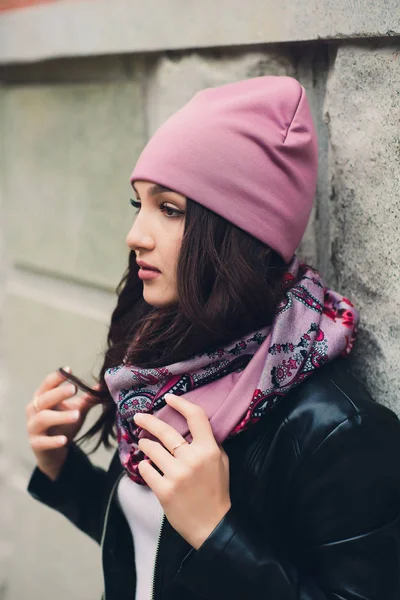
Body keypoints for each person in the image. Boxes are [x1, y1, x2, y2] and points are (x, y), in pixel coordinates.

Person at [26, 76, 400, 600]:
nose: (136, 235)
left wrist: (216, 532)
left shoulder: (338, 432)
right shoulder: (167, 366)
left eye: (170, 208)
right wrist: (60, 468)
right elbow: (150, 552)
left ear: (239, 231)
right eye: (140, 205)